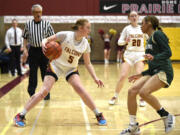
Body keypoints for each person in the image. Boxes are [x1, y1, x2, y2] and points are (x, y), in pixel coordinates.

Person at [14, 19, 107, 127]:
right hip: (56, 66)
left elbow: (88, 63)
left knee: (80, 89)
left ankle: (98, 114)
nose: (90, 30)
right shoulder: (65, 35)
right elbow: (46, 39)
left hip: (71, 69)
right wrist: (44, 43)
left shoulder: (86, 44)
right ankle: (20, 115)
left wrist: (95, 77)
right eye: (88, 27)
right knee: (44, 91)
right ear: (80, 28)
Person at [119, 15, 175, 135]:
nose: (140, 26)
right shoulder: (148, 40)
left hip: (164, 71)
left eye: (143, 23)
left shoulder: (158, 34)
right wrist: (141, 74)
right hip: (154, 71)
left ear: (149, 23)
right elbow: (152, 65)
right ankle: (133, 126)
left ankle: (166, 116)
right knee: (132, 91)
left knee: (143, 92)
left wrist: (155, 57)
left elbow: (168, 52)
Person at [109, 11, 146, 107]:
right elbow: (119, 42)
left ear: (138, 17)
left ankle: (142, 98)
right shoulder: (127, 29)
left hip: (140, 54)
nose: (134, 17)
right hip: (129, 54)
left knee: (139, 76)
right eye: (132, 16)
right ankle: (115, 96)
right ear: (129, 18)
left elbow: (150, 39)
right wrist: (125, 41)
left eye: (135, 15)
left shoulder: (143, 28)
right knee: (123, 76)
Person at [22, 4, 55, 100]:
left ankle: (46, 93)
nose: (38, 14)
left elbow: (53, 37)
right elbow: (25, 37)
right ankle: (31, 92)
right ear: (32, 13)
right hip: (33, 51)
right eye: (36, 12)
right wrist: (24, 48)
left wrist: (51, 50)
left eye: (40, 12)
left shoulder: (47, 24)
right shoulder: (28, 24)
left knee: (45, 73)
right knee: (32, 72)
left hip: (44, 51)